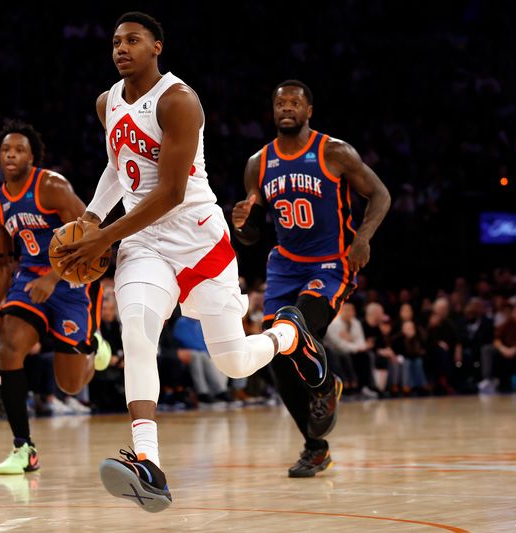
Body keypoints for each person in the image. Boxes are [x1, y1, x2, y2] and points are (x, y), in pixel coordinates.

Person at [57, 13, 328, 512]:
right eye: (116, 41)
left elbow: (171, 190)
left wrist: (103, 239)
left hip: (199, 239)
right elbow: (119, 169)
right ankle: (149, 464)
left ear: (157, 46)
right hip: (144, 242)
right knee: (136, 328)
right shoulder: (107, 102)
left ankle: (288, 334)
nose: (122, 48)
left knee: (233, 364)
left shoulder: (179, 101)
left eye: (133, 40)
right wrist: (93, 219)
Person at [232, 80, 390, 477]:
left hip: (330, 264)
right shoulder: (258, 163)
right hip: (285, 265)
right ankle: (315, 447)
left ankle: (325, 386)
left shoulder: (334, 152)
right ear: (273, 111)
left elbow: (381, 194)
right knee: (277, 358)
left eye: (295, 102)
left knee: (294, 324)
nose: (287, 107)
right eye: (280, 102)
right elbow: (252, 235)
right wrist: (243, 226)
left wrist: (364, 238)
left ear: (308, 111)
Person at [0, 120, 109, 475]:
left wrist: (55, 276)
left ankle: (93, 345)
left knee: (69, 385)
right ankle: (23, 446)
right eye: (6, 150)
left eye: (19, 150)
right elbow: (1, 262)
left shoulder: (51, 186)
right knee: (9, 346)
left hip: (70, 283)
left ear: (32, 156)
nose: (11, 155)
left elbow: (89, 232)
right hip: (28, 282)